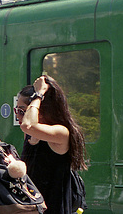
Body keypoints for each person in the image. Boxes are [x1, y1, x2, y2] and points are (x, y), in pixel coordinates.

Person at [16, 75, 87, 213]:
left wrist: (38, 94)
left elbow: (28, 125)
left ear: (41, 108)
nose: (19, 117)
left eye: (22, 111)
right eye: (16, 111)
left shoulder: (61, 133)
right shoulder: (31, 135)